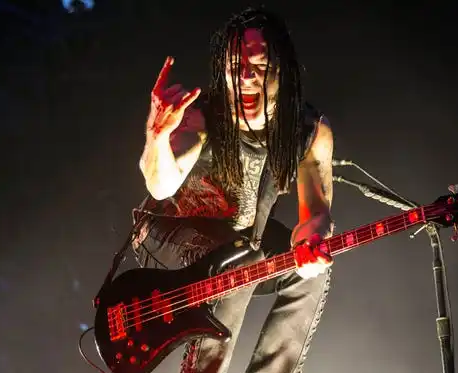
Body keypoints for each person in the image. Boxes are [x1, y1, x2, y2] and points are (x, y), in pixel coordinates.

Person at [131, 7, 335, 373]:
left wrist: (310, 243)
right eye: (234, 67)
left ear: (281, 71)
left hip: (243, 245)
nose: (245, 78)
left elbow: (316, 212)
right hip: (171, 246)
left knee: (310, 272)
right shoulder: (200, 117)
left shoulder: (307, 131)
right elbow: (160, 186)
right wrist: (158, 136)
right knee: (238, 256)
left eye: (258, 67)